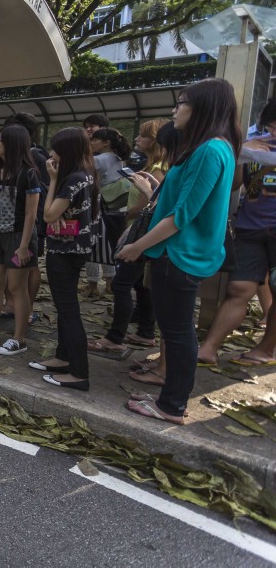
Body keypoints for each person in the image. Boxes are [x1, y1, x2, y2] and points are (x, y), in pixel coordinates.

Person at [117, 78, 240, 425]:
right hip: (180, 254)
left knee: (177, 333)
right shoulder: (212, 148)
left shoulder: (209, 150)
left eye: (182, 102)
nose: (175, 109)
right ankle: (168, 395)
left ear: (202, 107)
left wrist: (137, 247)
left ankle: (171, 405)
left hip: (180, 255)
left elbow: (182, 215)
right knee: (176, 331)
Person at [198, 97, 276, 367]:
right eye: (271, 125)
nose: (273, 132)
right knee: (238, 287)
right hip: (249, 227)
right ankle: (208, 348)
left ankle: (266, 348)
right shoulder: (255, 141)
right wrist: (242, 154)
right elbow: (234, 185)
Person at [89, 119, 173, 357]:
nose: (137, 139)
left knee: (121, 284)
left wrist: (129, 217)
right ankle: (145, 332)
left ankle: (115, 338)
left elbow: (152, 206)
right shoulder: (152, 165)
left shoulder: (158, 169)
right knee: (140, 284)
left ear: (156, 140)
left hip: (140, 233)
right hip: (139, 231)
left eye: (143, 136)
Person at [33, 127, 101, 391]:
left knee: (69, 310)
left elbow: (48, 214)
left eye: (56, 149)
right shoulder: (88, 174)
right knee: (64, 308)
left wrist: (51, 180)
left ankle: (78, 373)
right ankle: (62, 358)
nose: (52, 154)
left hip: (65, 250)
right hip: (78, 247)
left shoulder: (72, 178)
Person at [0, 126, 41, 355]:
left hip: (18, 236)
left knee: (16, 288)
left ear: (12, 145)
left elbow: (32, 214)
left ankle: (19, 338)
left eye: (0, 141)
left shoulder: (28, 173)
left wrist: (23, 246)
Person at [1, 111, 49, 324]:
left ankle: (26, 307)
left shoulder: (36, 156)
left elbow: (43, 190)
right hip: (11, 221)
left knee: (29, 266)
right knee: (11, 265)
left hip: (31, 220)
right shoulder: (7, 158)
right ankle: (11, 304)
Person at [84, 127, 132, 297]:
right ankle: (110, 283)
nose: (92, 143)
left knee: (93, 245)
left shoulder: (99, 159)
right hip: (115, 207)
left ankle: (92, 285)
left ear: (106, 143)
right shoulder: (118, 158)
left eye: (95, 140)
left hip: (99, 206)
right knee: (110, 245)